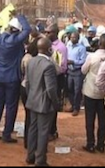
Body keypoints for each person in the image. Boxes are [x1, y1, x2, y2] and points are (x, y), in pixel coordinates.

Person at [0, 14, 32, 142]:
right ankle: (6, 134)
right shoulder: (14, 41)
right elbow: (27, 29)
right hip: (12, 78)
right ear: (16, 30)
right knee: (11, 106)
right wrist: (20, 16)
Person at [24, 38, 60, 167]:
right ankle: (40, 160)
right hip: (44, 103)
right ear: (49, 49)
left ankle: (30, 156)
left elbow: (27, 83)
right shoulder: (49, 65)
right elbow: (50, 88)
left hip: (33, 100)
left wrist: (31, 96)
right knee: (43, 132)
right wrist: (56, 103)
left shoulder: (31, 61)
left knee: (32, 129)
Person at [81, 34, 105, 154]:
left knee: (90, 119)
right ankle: (101, 144)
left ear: (99, 44)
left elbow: (83, 70)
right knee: (103, 119)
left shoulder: (92, 56)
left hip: (91, 90)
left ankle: (90, 144)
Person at [47, 24, 68, 140]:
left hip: (56, 78)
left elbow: (62, 67)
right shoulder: (45, 44)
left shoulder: (61, 47)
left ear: (55, 33)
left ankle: (52, 130)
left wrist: (51, 70)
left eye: (49, 32)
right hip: (46, 78)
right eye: (46, 32)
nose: (47, 34)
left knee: (53, 104)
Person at [66, 31, 87, 116]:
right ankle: (73, 105)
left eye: (74, 37)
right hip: (69, 71)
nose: (72, 39)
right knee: (69, 88)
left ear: (78, 38)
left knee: (77, 90)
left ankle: (76, 108)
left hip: (77, 71)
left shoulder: (81, 48)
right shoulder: (68, 46)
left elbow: (83, 61)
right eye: (71, 37)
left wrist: (73, 62)